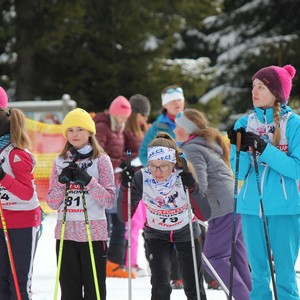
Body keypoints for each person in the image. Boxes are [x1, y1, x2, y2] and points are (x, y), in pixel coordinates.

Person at [227, 64, 300, 300]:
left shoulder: (294, 124)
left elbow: (296, 169)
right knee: (258, 275)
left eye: (261, 86)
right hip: (250, 207)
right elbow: (239, 174)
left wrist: (264, 149)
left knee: (286, 276)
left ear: (277, 92)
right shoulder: (243, 123)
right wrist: (239, 150)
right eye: (253, 86)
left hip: (284, 207)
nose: (254, 91)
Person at [118, 132, 211, 300]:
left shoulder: (182, 175)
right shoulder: (142, 178)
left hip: (186, 232)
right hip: (157, 234)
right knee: (160, 286)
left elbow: (204, 214)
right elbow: (124, 215)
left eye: (164, 166)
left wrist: (192, 188)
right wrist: (125, 187)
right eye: (153, 165)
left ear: (173, 163)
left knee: (193, 286)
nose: (158, 172)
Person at [174, 108, 252, 299]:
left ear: (187, 129)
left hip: (222, 209)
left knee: (215, 256)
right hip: (235, 204)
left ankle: (244, 297)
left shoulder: (192, 148)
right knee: (239, 258)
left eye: (178, 127)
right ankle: (253, 295)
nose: (175, 131)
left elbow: (198, 183)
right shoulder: (209, 144)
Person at [46, 108, 116, 300]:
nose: (75, 134)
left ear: (90, 132)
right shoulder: (60, 161)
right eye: (70, 130)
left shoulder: (101, 160)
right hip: (66, 233)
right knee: (69, 292)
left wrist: (88, 181)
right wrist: (62, 183)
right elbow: (52, 202)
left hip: (93, 233)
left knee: (94, 291)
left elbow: (109, 200)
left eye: (80, 129)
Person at [138, 84, 185, 288]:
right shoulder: (158, 126)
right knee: (163, 228)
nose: (177, 103)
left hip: (183, 181)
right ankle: (168, 274)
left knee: (185, 229)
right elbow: (142, 153)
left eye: (180, 99)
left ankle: (183, 274)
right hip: (159, 185)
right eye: (173, 100)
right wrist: (157, 168)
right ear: (166, 104)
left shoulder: (188, 120)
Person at [0, 107, 42, 300]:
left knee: (18, 281)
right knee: (2, 279)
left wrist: (2, 176)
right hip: (3, 219)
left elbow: (26, 193)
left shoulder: (16, 154)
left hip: (22, 221)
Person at [93, 96, 135, 278]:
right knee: (108, 224)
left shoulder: (120, 129)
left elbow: (132, 147)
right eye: (121, 117)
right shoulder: (102, 127)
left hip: (117, 181)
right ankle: (104, 262)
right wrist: (120, 162)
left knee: (120, 223)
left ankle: (115, 262)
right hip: (104, 182)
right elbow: (98, 152)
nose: (123, 121)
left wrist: (129, 160)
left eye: (126, 118)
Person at [123, 94, 151, 276]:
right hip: (130, 182)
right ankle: (128, 262)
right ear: (136, 114)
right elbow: (124, 155)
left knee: (140, 223)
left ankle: (136, 261)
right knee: (132, 224)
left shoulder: (141, 132)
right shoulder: (126, 132)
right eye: (143, 115)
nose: (145, 119)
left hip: (142, 183)